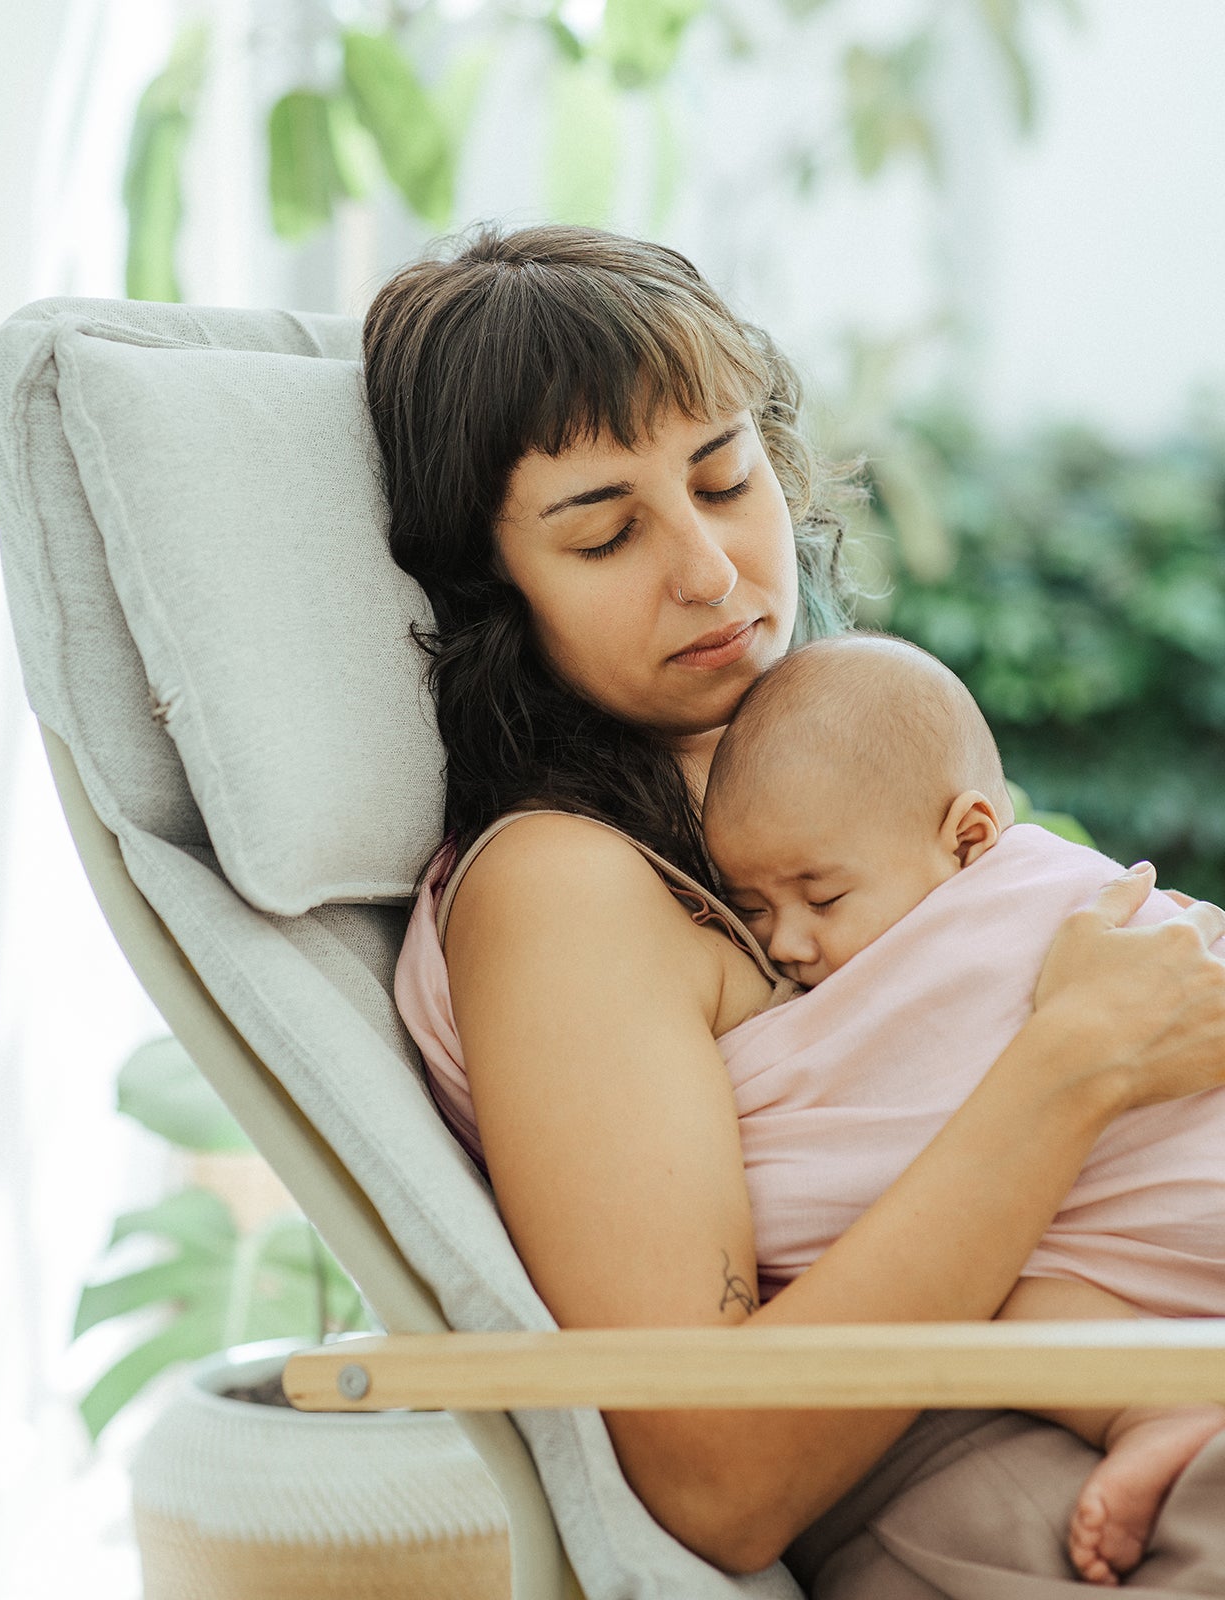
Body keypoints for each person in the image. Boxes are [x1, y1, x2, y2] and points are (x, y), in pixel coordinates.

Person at [369, 223, 1225, 1593]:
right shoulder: (561, 888)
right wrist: (1079, 1062)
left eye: (726, 477)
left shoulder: (832, 766)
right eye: (602, 534)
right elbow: (718, 1470)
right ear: (492, 589)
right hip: (1014, 1489)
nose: (709, 570)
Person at [699, 631, 1225, 1586]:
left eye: (821, 894)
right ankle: (1163, 1407)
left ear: (969, 839)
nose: (791, 944)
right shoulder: (880, 926)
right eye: (757, 909)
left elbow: (814, 1172)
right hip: (1154, 1286)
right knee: (996, 1294)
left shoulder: (1018, 912)